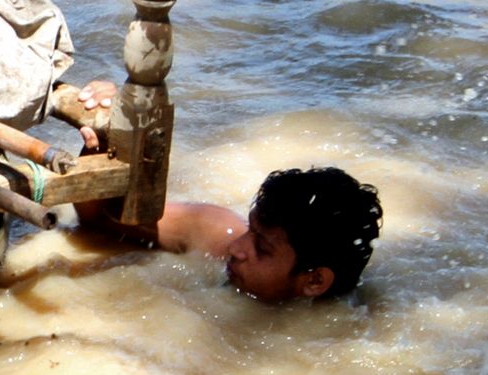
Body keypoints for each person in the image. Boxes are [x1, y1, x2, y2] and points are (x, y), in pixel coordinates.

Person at [67, 81, 383, 301]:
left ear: (314, 280)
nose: (237, 248)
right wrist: (104, 139)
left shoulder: (338, 337)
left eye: (262, 247)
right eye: (251, 229)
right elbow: (98, 220)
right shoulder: (215, 233)